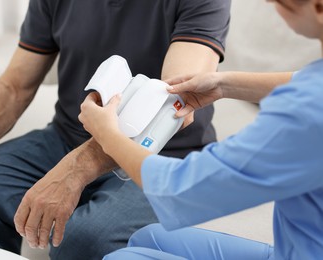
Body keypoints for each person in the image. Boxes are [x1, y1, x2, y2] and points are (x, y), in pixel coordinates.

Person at [0, 0, 231, 259]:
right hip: (66, 139)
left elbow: (174, 100)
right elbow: (15, 84)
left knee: (86, 237)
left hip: (164, 156)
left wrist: (75, 171)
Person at [78, 0, 323, 258]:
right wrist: (223, 84)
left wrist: (109, 135)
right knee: (149, 238)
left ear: (318, 7)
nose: (269, 3)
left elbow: (180, 189)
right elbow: (305, 80)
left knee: (121, 258)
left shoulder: (304, 113)